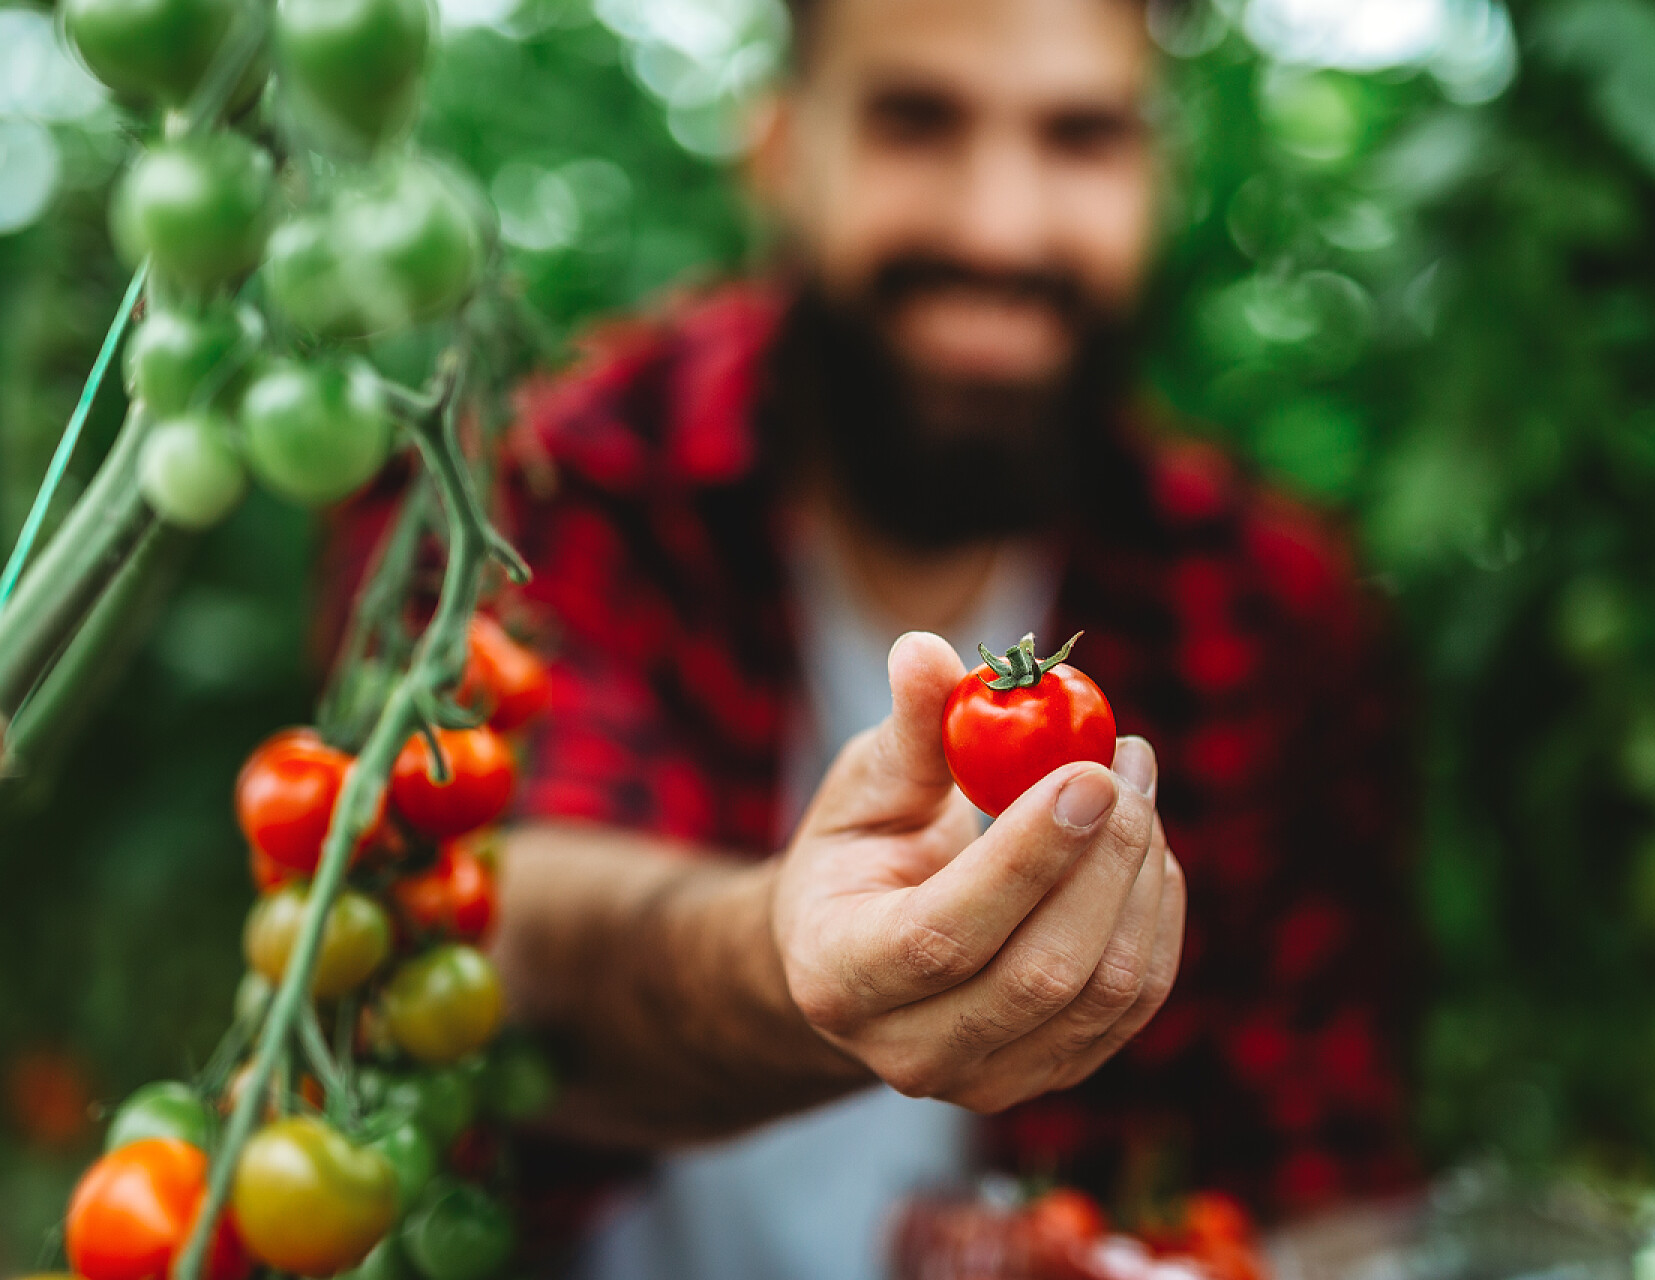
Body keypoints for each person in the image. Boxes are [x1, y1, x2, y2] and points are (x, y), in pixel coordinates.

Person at [337, 0, 1420, 1272]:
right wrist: (787, 954)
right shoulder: (546, 496)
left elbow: (1321, 1170)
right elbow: (511, 934)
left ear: (1153, 175)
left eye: (1079, 137)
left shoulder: (1267, 611)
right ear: (784, 150)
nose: (1001, 225)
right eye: (918, 122)